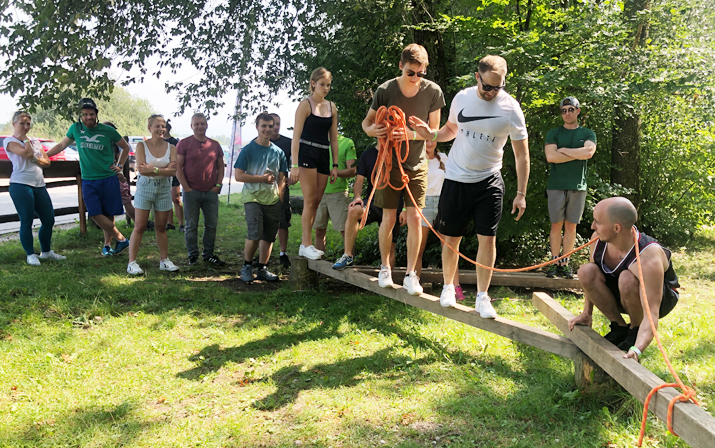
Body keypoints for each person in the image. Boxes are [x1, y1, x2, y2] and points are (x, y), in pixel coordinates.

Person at [411, 54, 529, 317]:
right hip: (456, 178)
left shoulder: (511, 108)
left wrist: (521, 193)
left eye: (498, 87)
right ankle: (449, 288)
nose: (492, 92)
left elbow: (522, 153)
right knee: (451, 238)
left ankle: (482, 296)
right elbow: (450, 130)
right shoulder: (462, 98)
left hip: (489, 180)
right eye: (487, 86)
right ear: (477, 77)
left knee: (487, 239)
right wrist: (430, 134)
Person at [361, 43, 445, 295]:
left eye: (421, 73)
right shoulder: (385, 90)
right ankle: (385, 268)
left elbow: (434, 133)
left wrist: (407, 133)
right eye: (411, 72)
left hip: (417, 164)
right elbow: (367, 122)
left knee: (414, 218)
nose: (416, 78)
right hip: (388, 163)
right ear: (400, 66)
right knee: (388, 217)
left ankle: (411, 274)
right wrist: (371, 130)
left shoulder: (433, 92)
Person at [568, 197, 679, 361]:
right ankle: (619, 327)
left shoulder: (648, 257)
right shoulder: (597, 239)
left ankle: (634, 330)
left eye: (597, 222)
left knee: (627, 277)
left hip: (660, 298)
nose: (592, 226)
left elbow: (652, 314)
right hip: (621, 292)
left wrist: (638, 348)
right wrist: (587, 313)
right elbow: (592, 277)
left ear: (617, 228)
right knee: (586, 270)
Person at [46, 98, 132, 256]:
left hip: (108, 177)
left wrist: (119, 166)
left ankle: (107, 246)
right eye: (85, 114)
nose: (88, 117)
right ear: (80, 115)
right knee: (94, 213)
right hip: (88, 179)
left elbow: (125, 147)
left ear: (96, 114)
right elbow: (60, 145)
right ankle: (121, 239)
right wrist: (44, 156)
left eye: (91, 114)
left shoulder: (107, 130)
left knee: (108, 213)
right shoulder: (75, 129)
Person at [544, 97, 597, 279]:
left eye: (571, 109)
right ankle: (553, 261)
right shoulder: (554, 133)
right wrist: (577, 154)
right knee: (556, 225)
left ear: (578, 111)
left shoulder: (588, 133)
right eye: (564, 110)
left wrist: (564, 150)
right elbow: (551, 157)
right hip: (556, 185)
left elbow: (589, 152)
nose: (567, 113)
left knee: (571, 226)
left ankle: (565, 262)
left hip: (578, 186)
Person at [4, 111, 66, 265]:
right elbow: (26, 153)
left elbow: (47, 162)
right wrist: (26, 142)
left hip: (39, 185)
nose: (26, 127)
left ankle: (46, 252)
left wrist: (33, 155)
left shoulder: (35, 141)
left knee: (48, 219)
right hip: (21, 185)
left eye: (28, 124)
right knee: (26, 220)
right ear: (14, 124)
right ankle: (30, 254)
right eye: (22, 123)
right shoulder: (9, 141)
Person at [290, 67, 339, 260]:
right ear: (313, 83)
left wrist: (335, 165)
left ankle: (307, 244)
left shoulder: (332, 107)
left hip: (323, 153)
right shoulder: (305, 105)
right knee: (309, 200)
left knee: (317, 201)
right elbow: (296, 136)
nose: (325, 88)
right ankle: (305, 243)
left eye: (328, 85)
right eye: (322, 84)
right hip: (306, 152)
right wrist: (294, 165)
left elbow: (333, 139)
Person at [234, 113, 288, 282]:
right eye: (263, 126)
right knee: (255, 233)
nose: (267, 129)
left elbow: (282, 178)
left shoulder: (278, 152)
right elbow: (238, 176)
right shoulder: (248, 150)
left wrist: (280, 198)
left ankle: (262, 268)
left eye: (270, 126)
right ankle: (247, 266)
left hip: (272, 200)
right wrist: (261, 179)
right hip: (253, 198)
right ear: (257, 127)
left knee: (269, 236)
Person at [331, 146, 403, 270]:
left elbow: (407, 183)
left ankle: (387, 275)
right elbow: (359, 182)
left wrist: (406, 208)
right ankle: (348, 255)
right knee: (354, 210)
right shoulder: (368, 154)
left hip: (393, 205)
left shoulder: (399, 153)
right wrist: (357, 197)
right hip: (373, 202)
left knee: (390, 250)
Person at [126, 114, 180, 275]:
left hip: (164, 188)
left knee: (161, 227)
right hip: (145, 187)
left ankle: (164, 260)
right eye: (157, 126)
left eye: (163, 126)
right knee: (140, 226)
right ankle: (132, 263)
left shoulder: (171, 147)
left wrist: (154, 169)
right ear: (150, 128)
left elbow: (173, 170)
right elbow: (141, 169)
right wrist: (163, 170)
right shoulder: (142, 146)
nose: (161, 129)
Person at [415, 140, 464, 300]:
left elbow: (454, 179)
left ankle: (454, 287)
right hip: (423, 202)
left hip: (443, 202)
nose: (429, 142)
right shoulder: (417, 157)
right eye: (426, 139)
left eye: (432, 138)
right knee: (418, 247)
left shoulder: (443, 157)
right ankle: (414, 283)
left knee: (449, 247)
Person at [176, 113, 226, 266]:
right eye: (196, 124)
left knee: (211, 225)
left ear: (206, 125)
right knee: (191, 225)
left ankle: (208, 254)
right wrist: (186, 188)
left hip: (210, 192)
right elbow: (178, 167)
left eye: (202, 124)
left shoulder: (215, 145)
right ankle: (193, 256)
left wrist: (218, 185)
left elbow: (220, 167)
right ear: (191, 126)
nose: (199, 126)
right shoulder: (184, 144)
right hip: (192, 192)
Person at [314, 135, 357, 251]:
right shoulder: (316, 141)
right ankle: (318, 266)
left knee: (345, 232)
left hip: (338, 193)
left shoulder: (347, 142)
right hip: (317, 193)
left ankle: (349, 262)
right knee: (319, 231)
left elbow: (352, 170)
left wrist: (331, 172)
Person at [269, 112, 293, 268]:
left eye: (278, 124)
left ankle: (283, 253)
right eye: (272, 124)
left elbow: (297, 163)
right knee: (265, 222)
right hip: (263, 189)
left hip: (282, 187)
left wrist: (293, 176)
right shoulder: (259, 143)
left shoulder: (288, 143)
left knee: (283, 222)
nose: (275, 127)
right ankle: (264, 253)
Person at [164, 119, 183, 232]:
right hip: (163, 173)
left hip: (174, 174)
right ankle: (170, 223)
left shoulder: (174, 142)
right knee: (166, 200)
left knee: (176, 199)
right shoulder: (158, 142)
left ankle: (181, 224)